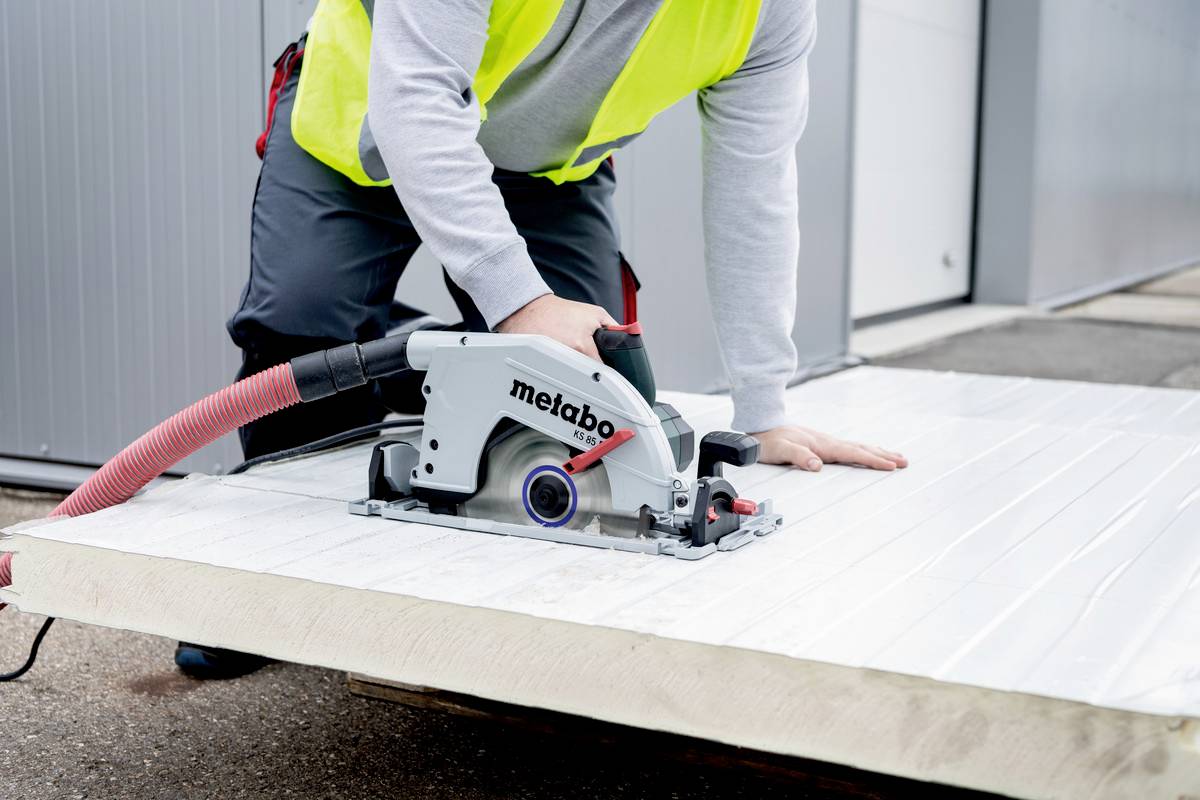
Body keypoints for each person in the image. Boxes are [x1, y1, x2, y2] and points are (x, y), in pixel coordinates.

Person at [175, 0, 907, 679]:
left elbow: (756, 187)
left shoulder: (768, 13)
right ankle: (266, 594)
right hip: (367, 114)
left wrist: (763, 407)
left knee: (590, 386)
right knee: (304, 330)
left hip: (541, 170)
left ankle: (457, 512)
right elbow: (417, 101)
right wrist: (519, 305)